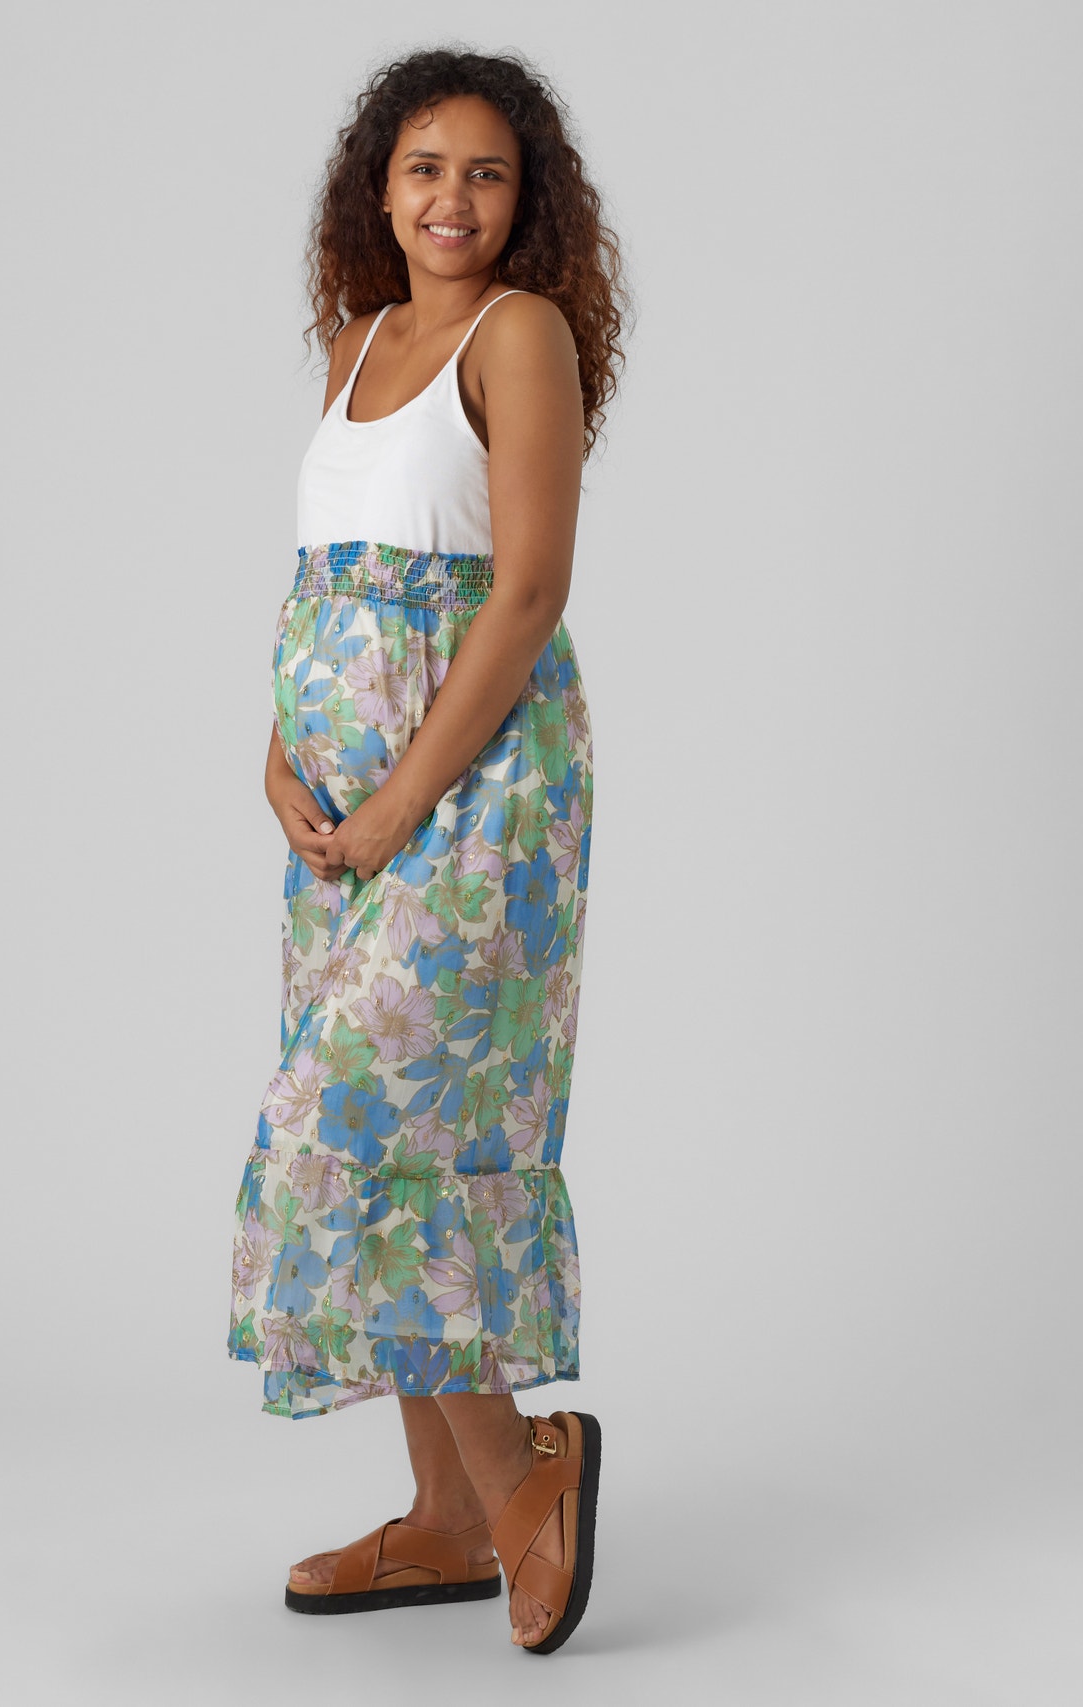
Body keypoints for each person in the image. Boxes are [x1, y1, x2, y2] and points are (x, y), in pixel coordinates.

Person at [226, 46, 628, 1654]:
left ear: (526, 203)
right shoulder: (356, 343)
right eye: (424, 168)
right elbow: (326, 578)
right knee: (386, 1135)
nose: (452, 198)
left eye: (487, 173)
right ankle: (449, 1518)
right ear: (377, 191)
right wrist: (283, 749)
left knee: (385, 1124)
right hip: (344, 809)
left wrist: (401, 801)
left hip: (478, 796)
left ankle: (525, 1479)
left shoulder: (517, 335)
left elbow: (523, 592)